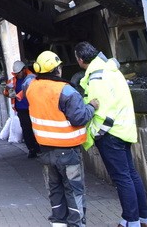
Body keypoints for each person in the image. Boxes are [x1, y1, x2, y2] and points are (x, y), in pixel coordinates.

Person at [74, 41, 147, 227]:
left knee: (122, 178)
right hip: (124, 130)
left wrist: (95, 134)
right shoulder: (110, 70)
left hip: (111, 134)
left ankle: (131, 221)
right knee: (131, 174)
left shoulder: (96, 77)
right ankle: (143, 219)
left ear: (80, 59)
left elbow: (103, 110)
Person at [27, 50, 98, 227]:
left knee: (55, 190)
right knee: (74, 191)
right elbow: (79, 117)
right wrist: (92, 106)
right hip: (67, 151)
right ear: (57, 69)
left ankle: (58, 223)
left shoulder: (31, 87)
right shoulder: (66, 90)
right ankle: (76, 224)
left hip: (45, 151)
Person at [4, 59, 39, 158]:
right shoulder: (12, 80)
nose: (17, 75)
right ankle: (32, 149)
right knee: (26, 129)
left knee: (35, 128)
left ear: (24, 70)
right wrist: (8, 92)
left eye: (18, 73)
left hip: (33, 108)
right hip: (21, 109)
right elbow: (6, 92)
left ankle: (38, 147)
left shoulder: (32, 78)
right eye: (16, 73)